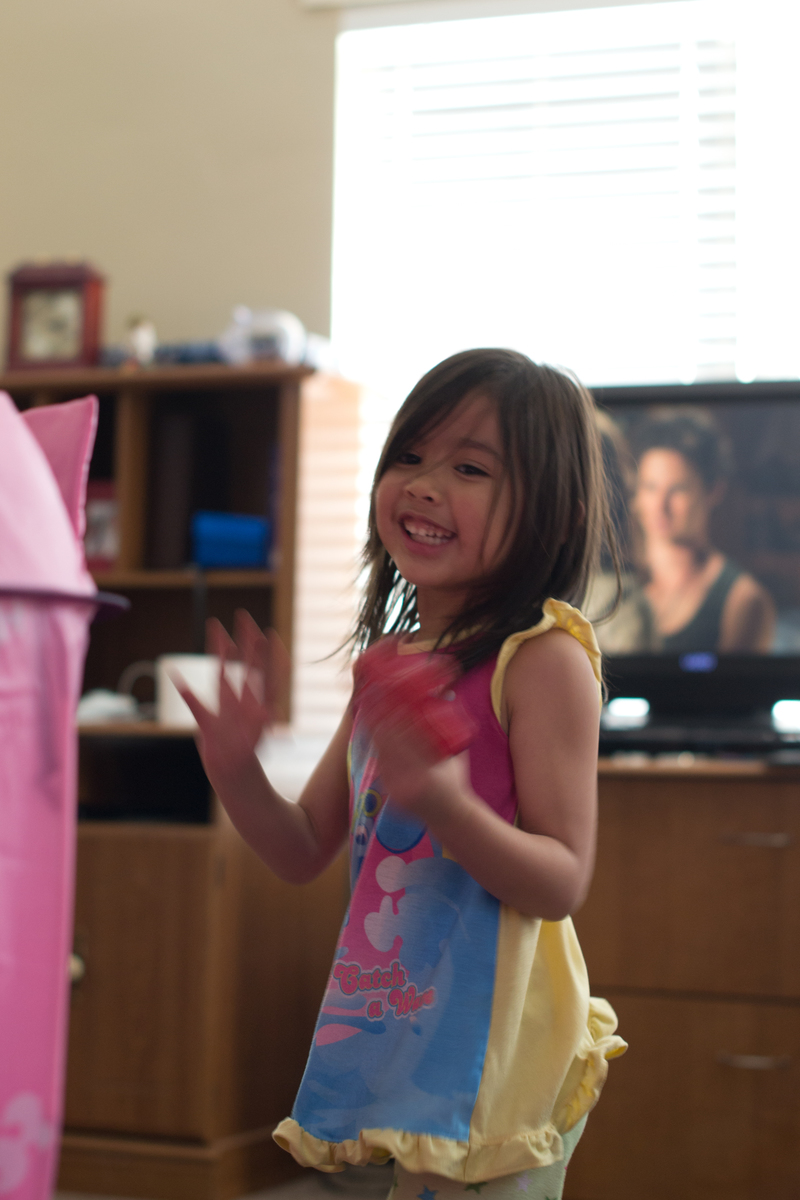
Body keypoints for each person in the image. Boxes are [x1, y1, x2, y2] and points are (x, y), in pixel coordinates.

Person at [179, 349, 626, 1200]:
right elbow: (303, 847)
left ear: (556, 516)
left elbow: (561, 880)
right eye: (410, 456)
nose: (422, 486)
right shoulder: (390, 665)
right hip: (401, 1025)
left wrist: (447, 806)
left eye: (470, 468)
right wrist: (236, 772)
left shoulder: (544, 661)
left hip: (501, 1055)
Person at [631, 411, 775, 652]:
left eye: (678, 489)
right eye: (650, 487)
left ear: (713, 491)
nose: (660, 505)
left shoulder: (743, 601)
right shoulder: (616, 585)